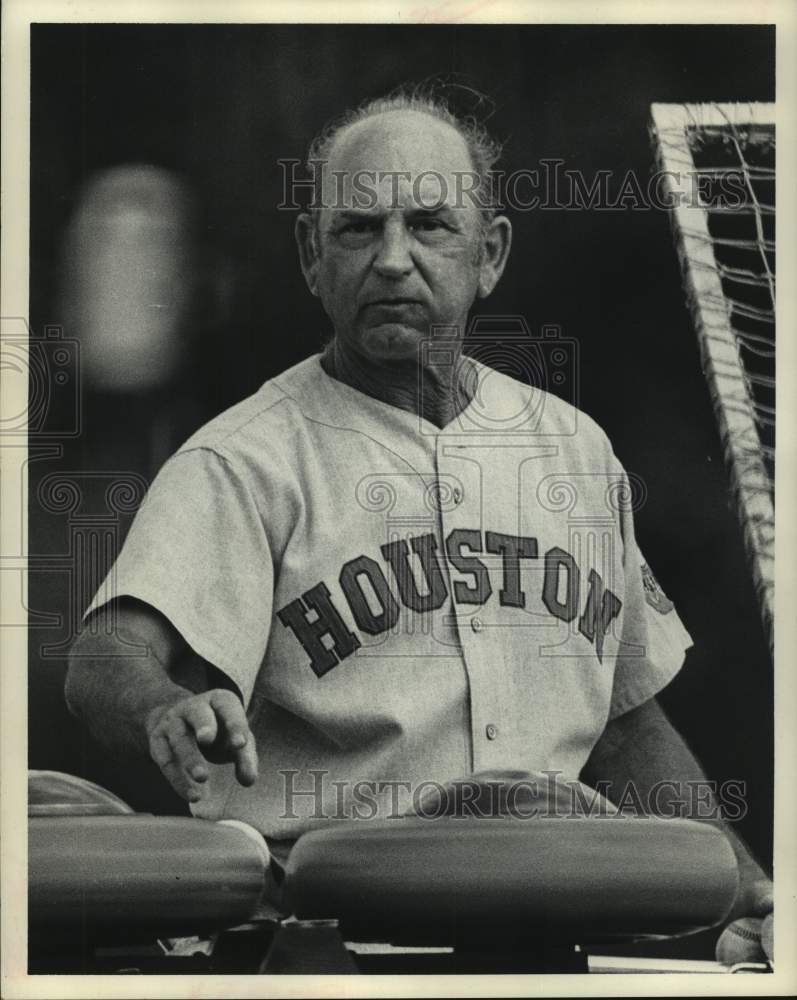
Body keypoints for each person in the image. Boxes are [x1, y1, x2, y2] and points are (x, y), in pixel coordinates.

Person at [65, 88, 772, 957]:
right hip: (332, 939)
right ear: (310, 258)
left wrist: (748, 888)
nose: (392, 260)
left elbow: (627, 724)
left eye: (430, 225)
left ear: (491, 254)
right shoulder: (243, 461)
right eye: (357, 229)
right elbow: (106, 655)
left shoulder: (573, 449)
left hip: (556, 934)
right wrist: (162, 707)